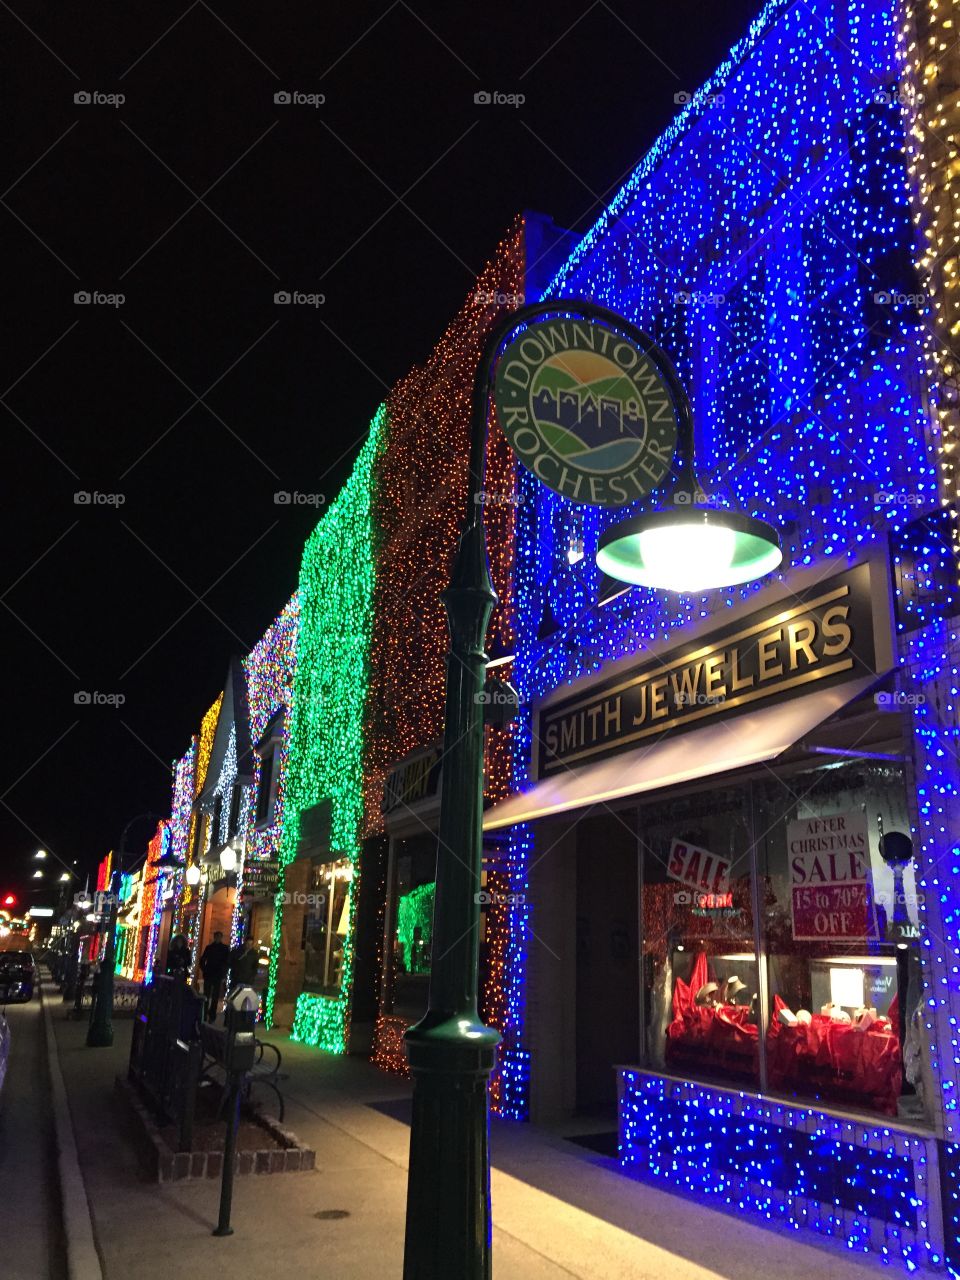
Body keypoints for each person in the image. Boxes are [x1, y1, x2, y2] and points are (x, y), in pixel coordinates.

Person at [199, 930, 230, 1021]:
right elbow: (203, 960)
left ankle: (212, 1015)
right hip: (210, 974)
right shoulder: (209, 948)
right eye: (217, 937)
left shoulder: (224, 949)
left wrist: (223, 973)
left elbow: (226, 962)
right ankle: (205, 1014)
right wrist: (204, 970)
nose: (217, 939)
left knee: (215, 996)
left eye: (219, 937)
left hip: (217, 975)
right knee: (207, 995)